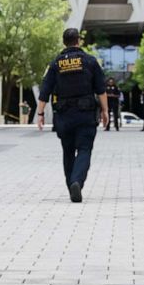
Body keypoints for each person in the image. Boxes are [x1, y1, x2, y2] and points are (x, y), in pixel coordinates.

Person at [37, 28, 109, 203]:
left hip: (64, 115)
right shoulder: (90, 61)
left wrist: (40, 113)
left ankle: (71, 185)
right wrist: (105, 111)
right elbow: (101, 89)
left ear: (64, 42)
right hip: (85, 114)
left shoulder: (55, 64)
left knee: (68, 151)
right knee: (84, 149)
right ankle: (77, 181)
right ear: (78, 41)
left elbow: (45, 90)